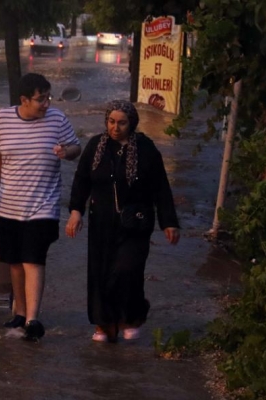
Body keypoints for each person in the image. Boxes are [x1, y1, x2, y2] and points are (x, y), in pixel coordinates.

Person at [65, 100, 180, 342]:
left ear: (132, 124)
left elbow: (161, 187)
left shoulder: (146, 149)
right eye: (111, 122)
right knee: (101, 274)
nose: (115, 127)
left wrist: (169, 222)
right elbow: (82, 180)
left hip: (136, 224)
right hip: (102, 223)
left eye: (121, 123)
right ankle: (104, 325)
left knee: (127, 270)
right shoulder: (96, 145)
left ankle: (132, 316)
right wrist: (76, 211)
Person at [0, 73, 82, 341]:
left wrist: (67, 152)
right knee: (15, 262)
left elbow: (76, 148)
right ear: (24, 100)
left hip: (43, 206)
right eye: (41, 99)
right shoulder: (2, 119)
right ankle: (19, 312)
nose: (47, 104)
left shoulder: (57, 119)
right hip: (8, 205)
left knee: (33, 261)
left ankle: (32, 319)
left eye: (49, 97)